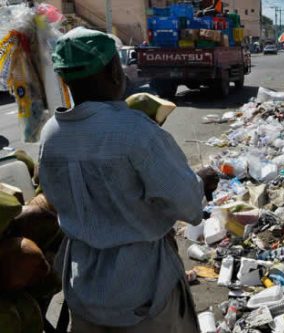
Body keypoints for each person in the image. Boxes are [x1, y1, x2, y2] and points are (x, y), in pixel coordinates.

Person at [42, 27, 216, 333]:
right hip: (143, 291)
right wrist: (202, 180)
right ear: (112, 71)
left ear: (65, 78)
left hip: (83, 287)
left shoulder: (51, 134)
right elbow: (188, 205)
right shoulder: (136, 132)